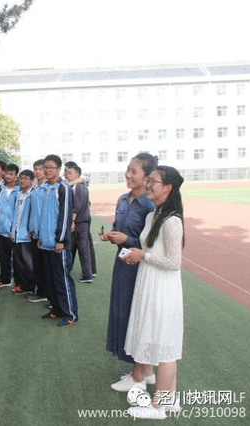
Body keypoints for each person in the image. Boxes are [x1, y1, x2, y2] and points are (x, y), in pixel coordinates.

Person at [121, 166, 185, 419]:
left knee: (165, 346)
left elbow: (174, 262)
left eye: (153, 182)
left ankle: (158, 406)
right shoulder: (153, 216)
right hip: (149, 282)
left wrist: (143, 256)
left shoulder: (172, 221)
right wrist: (137, 255)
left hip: (163, 288)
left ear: (167, 187)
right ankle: (170, 401)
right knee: (161, 341)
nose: (148, 185)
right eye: (148, 181)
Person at [100, 152, 158, 391]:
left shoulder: (150, 204)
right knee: (121, 311)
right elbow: (118, 227)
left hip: (141, 268)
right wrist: (112, 235)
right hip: (122, 262)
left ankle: (139, 373)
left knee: (136, 315)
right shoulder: (123, 199)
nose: (128, 175)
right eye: (128, 170)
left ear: (147, 177)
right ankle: (145, 370)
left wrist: (128, 239)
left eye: (134, 171)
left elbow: (151, 243)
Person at [34, 155, 78, 326]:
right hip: (45, 242)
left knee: (62, 279)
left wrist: (61, 240)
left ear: (58, 169)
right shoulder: (45, 188)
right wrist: (39, 237)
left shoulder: (63, 188)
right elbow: (43, 215)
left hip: (58, 244)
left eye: (51, 167)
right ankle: (56, 309)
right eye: (45, 167)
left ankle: (70, 314)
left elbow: (65, 216)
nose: (47, 170)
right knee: (50, 279)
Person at [64, 163, 97, 282]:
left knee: (82, 248)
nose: (67, 175)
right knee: (75, 246)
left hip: (80, 222)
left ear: (77, 174)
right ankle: (71, 269)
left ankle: (87, 274)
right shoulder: (79, 186)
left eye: (70, 173)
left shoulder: (78, 187)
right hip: (82, 221)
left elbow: (76, 206)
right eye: (66, 173)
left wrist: (73, 221)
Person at [0, 163, 20, 287]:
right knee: (4, 257)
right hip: (1, 229)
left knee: (19, 260)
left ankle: (19, 282)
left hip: (16, 231)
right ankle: (5, 279)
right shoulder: (0, 189)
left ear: (16, 176)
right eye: (6, 173)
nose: (8, 176)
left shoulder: (20, 190)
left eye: (11, 174)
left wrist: (15, 229)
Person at [26, 158, 49, 303]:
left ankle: (47, 293)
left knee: (46, 267)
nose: (38, 172)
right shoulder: (34, 190)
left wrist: (42, 234)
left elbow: (46, 214)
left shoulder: (48, 189)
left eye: (41, 169)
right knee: (37, 265)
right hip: (34, 234)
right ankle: (41, 292)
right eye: (36, 169)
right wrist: (30, 230)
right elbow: (33, 212)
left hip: (45, 236)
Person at [10, 170, 36, 296]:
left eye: (26, 178)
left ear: (31, 181)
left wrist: (31, 231)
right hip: (16, 234)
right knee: (18, 262)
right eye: (21, 178)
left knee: (28, 263)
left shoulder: (33, 194)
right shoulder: (18, 194)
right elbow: (14, 214)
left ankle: (32, 286)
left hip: (27, 236)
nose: (22, 180)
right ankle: (21, 285)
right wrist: (12, 231)